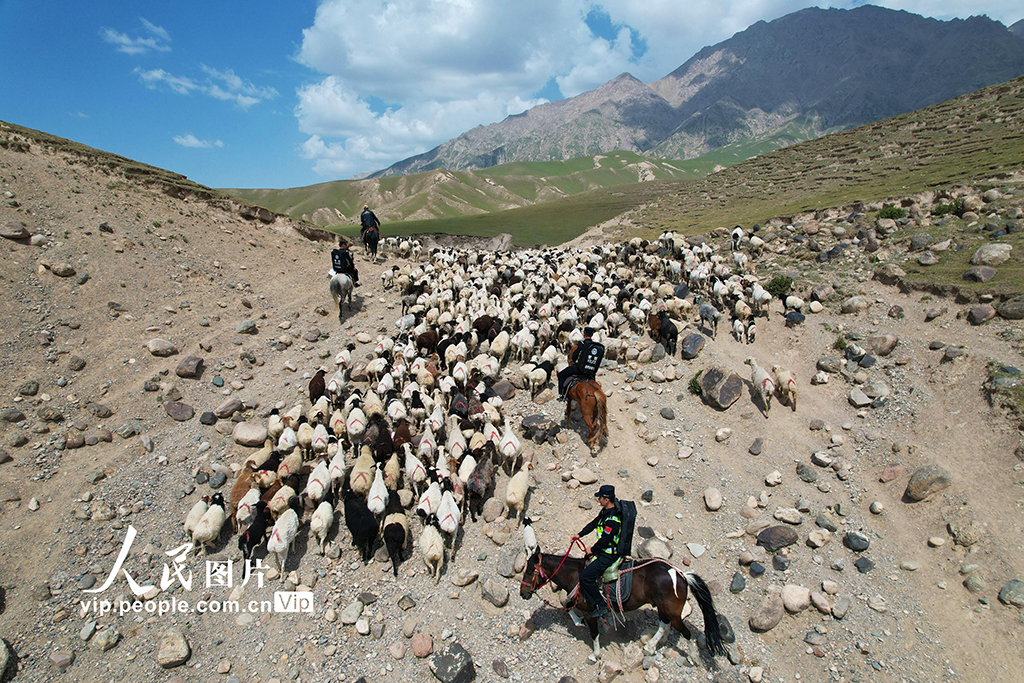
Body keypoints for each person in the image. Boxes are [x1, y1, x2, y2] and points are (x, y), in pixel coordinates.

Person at [573, 484, 622, 618]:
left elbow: (605, 540)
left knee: (585, 577)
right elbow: (594, 524)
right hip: (603, 551)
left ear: (606, 500)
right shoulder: (605, 512)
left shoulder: (612, 519)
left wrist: (592, 550)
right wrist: (580, 534)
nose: (598, 499)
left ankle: (601, 604)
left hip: (608, 555)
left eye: (600, 497)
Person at [557, 327, 604, 400]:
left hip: (579, 369)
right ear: (592, 335)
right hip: (591, 371)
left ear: (584, 334)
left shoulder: (582, 344)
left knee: (560, 375)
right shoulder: (596, 345)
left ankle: (563, 395)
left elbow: (574, 356)